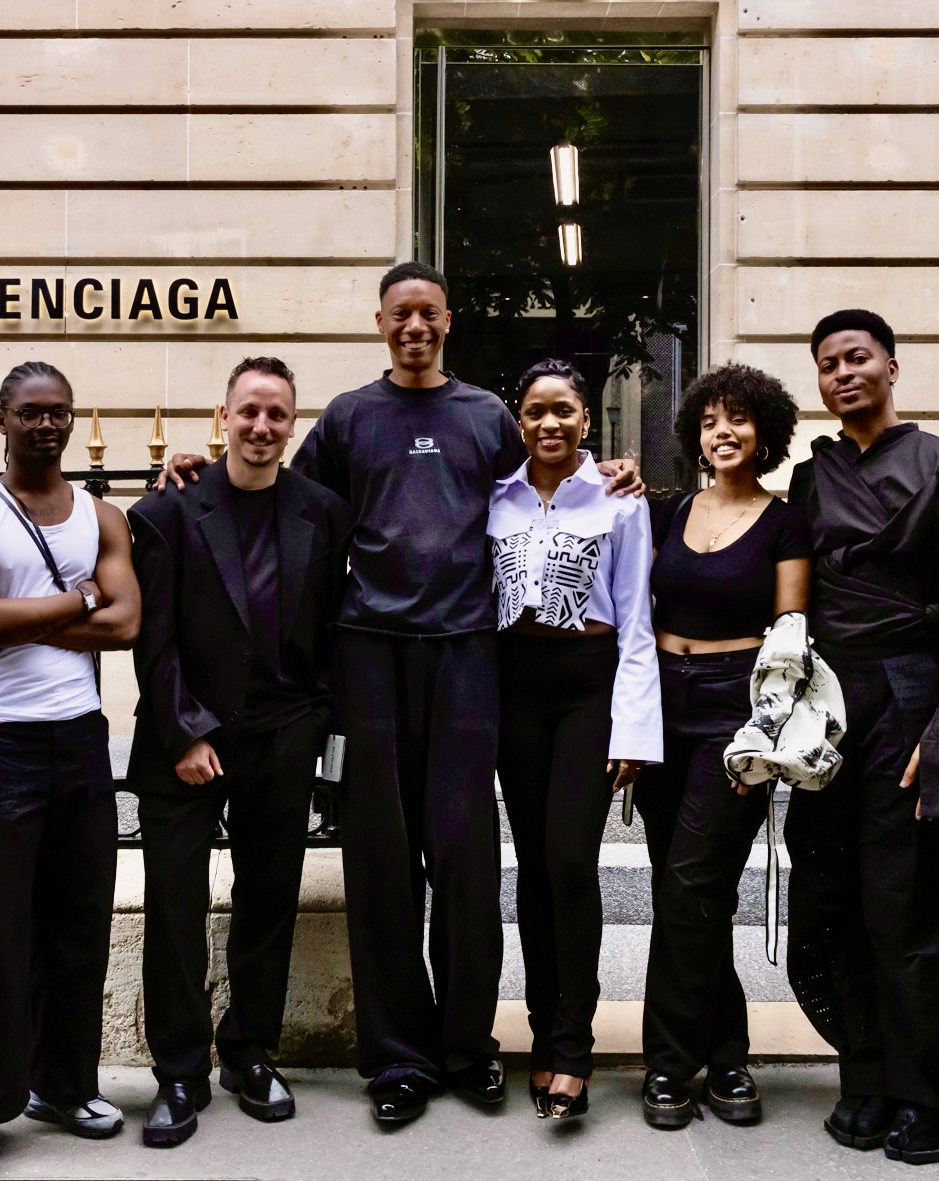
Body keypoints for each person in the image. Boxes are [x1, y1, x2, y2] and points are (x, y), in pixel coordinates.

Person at [158, 261, 639, 1124]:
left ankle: (466, 1045)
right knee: (380, 863)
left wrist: (610, 473)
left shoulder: (485, 415)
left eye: (428, 313)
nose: (414, 327)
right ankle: (396, 1057)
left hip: (466, 654)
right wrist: (199, 466)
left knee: (463, 857)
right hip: (368, 655)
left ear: (447, 322)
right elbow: (282, 495)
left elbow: (541, 484)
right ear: (380, 323)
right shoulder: (349, 416)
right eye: (399, 314)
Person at [783, 310, 939, 1165]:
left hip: (909, 695)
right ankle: (862, 1076)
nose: (842, 373)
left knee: (906, 905)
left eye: (857, 357)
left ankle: (925, 1092)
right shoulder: (811, 477)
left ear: (891, 366)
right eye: (827, 363)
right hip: (831, 705)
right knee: (834, 898)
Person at [125, 357, 352, 1145]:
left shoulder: (322, 511)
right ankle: (178, 1070)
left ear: (292, 424)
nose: (261, 426)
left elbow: (331, 623)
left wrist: (315, 719)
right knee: (175, 908)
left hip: (281, 735)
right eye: (248, 411)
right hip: (185, 740)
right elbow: (152, 636)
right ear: (222, 417)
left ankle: (250, 1050)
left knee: (268, 901)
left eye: (276, 414)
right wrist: (184, 729)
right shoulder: (168, 509)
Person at [0, 361, 141, 1178]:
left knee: (75, 924)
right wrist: (79, 599)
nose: (45, 425)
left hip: (79, 739)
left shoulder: (102, 516)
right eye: (30, 412)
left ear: (73, 419)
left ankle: (63, 1085)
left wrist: (14, 623)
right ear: (2, 419)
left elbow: (126, 624)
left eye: (58, 412)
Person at [487, 359, 661, 1121]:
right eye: (534, 411)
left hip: (587, 685)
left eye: (562, 409)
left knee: (567, 860)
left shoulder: (619, 499)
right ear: (518, 420)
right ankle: (541, 1034)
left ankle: (574, 1046)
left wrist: (633, 727)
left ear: (585, 419)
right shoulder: (495, 498)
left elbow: (636, 621)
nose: (548, 422)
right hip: (513, 684)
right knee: (531, 868)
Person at [636, 363, 808, 1130]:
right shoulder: (667, 511)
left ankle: (669, 1065)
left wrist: (762, 741)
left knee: (689, 886)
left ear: (763, 431)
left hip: (733, 712)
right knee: (687, 895)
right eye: (709, 421)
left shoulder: (784, 521)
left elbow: (790, 641)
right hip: (661, 708)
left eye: (737, 418)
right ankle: (728, 1052)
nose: (722, 432)